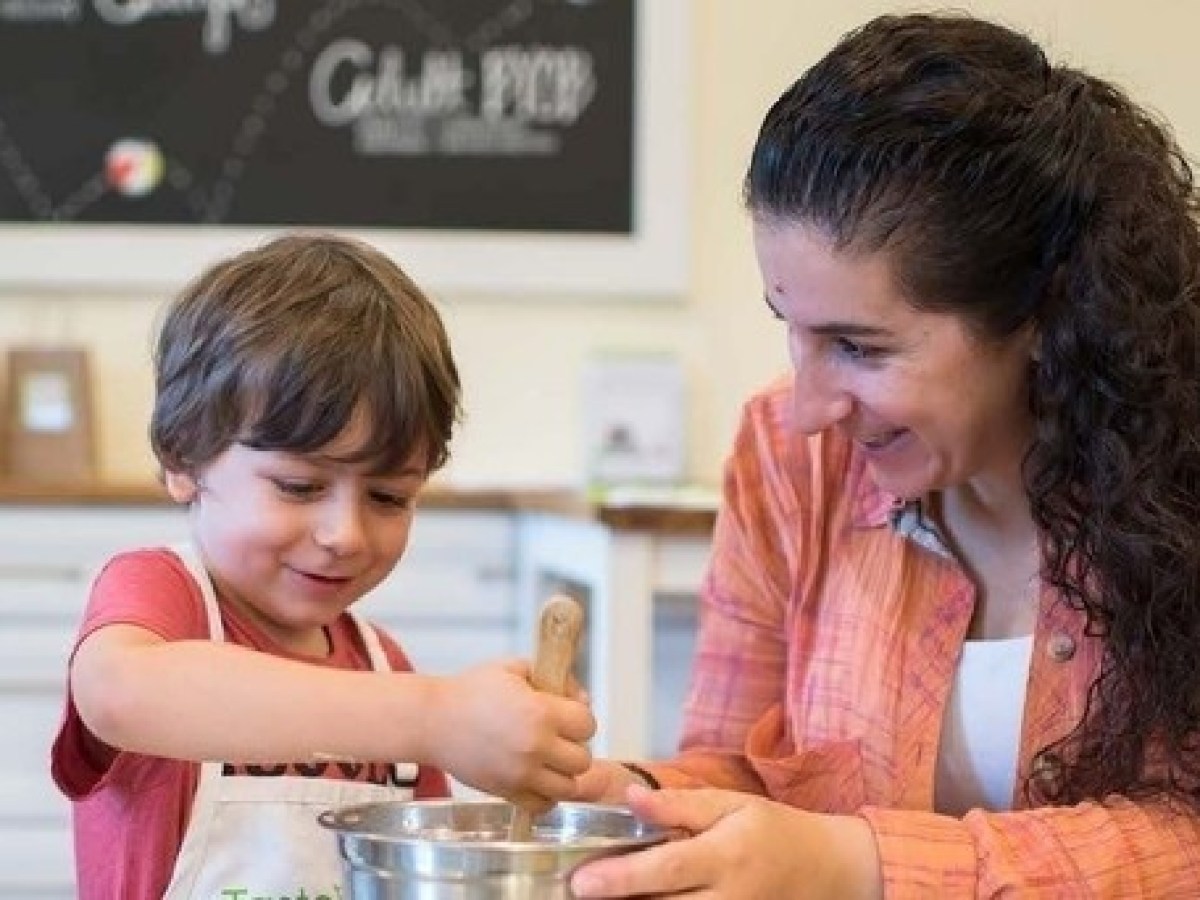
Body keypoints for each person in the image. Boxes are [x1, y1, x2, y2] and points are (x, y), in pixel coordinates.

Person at [571, 12, 1200, 898]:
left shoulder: (1177, 485)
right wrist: (637, 801)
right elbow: (744, 770)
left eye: (861, 348)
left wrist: (856, 866)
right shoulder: (787, 464)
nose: (810, 408)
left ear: (1044, 316)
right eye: (790, 328)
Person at [50, 233, 596, 899]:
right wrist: (435, 718)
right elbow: (119, 692)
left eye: (389, 497)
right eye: (300, 487)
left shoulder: (383, 667)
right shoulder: (164, 598)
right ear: (182, 459)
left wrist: (521, 753)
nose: (345, 534)